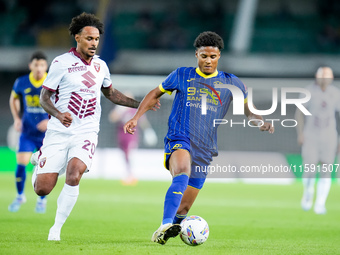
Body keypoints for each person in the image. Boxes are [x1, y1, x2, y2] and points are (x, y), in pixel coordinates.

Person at [124, 31, 274, 245]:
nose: (208, 60)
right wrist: (137, 117)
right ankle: (165, 224)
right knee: (183, 168)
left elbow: (249, 111)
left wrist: (261, 122)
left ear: (219, 56)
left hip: (205, 148)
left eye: (213, 56)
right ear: (197, 54)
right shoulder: (181, 75)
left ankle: (166, 233)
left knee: (184, 208)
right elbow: (154, 93)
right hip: (180, 137)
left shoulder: (232, 83)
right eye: (204, 56)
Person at [31, 12, 158, 241]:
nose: (94, 43)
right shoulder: (61, 63)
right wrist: (59, 115)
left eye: (97, 39)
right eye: (89, 38)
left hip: (86, 131)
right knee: (42, 189)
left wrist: (143, 104)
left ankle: (56, 229)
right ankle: (40, 159)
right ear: (77, 37)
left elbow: (111, 94)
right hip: (59, 132)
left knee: (74, 173)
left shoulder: (101, 66)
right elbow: (44, 98)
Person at [8, 51, 49, 213]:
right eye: (36, 65)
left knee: (43, 167)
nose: (39, 68)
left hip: (47, 135)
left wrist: (49, 121)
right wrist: (16, 118)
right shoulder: (22, 82)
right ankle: (20, 196)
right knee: (21, 164)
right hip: (27, 132)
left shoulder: (52, 82)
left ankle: (42, 200)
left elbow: (62, 105)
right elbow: (14, 99)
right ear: (30, 66)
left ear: (46, 66)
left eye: (42, 65)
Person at [295, 66, 340, 215]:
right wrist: (300, 133)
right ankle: (308, 193)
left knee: (326, 170)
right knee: (309, 170)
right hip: (311, 136)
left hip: (329, 137)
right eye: (323, 75)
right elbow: (299, 114)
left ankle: (320, 203)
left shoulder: (335, 93)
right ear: (317, 76)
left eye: (328, 75)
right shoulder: (308, 92)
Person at [109, 93, 157, 185]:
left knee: (130, 154)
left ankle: (132, 175)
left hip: (131, 136)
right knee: (124, 155)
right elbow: (112, 118)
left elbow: (142, 120)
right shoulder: (120, 108)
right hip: (121, 135)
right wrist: (119, 111)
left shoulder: (135, 110)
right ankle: (128, 174)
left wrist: (148, 131)